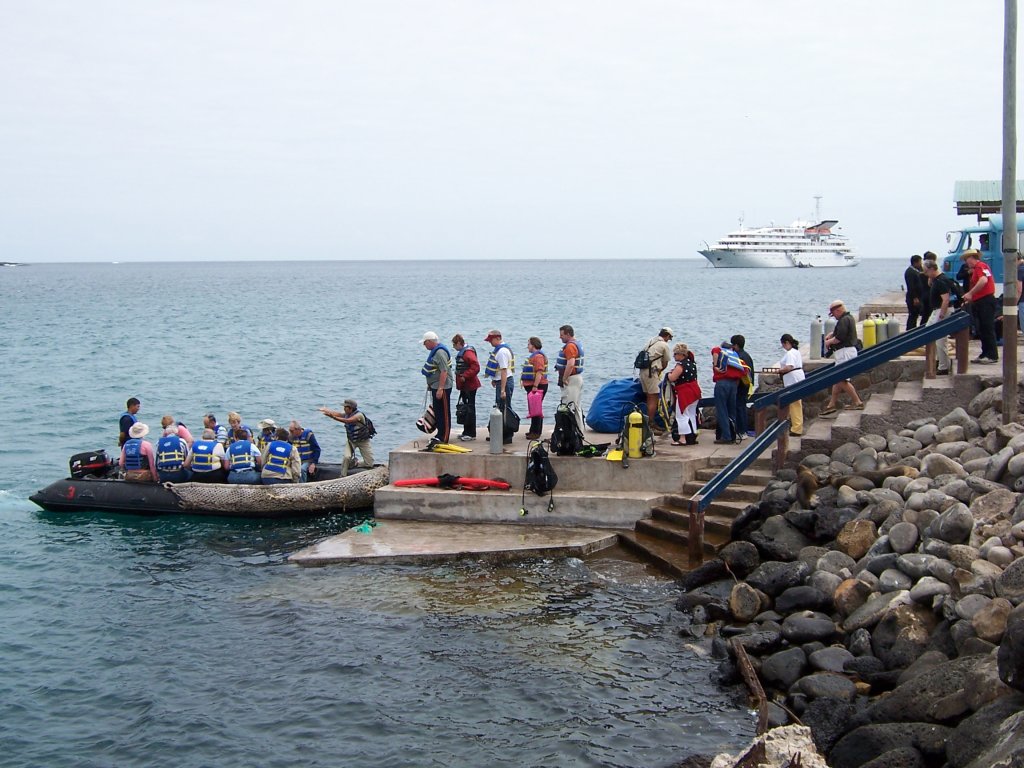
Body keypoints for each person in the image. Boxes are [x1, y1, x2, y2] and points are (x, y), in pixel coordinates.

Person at [821, 299, 865, 414]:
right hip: (847, 351)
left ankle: (857, 402)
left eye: (834, 313)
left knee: (841, 379)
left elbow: (840, 338)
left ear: (838, 310)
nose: (834, 316)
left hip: (845, 352)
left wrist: (828, 342)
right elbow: (841, 333)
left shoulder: (844, 320)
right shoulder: (848, 318)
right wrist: (832, 334)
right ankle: (832, 404)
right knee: (838, 380)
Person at [961, 249, 999, 364]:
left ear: (972, 258)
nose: (966, 262)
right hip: (980, 301)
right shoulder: (979, 268)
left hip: (986, 301)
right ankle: (985, 353)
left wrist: (970, 293)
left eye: (966, 259)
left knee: (987, 328)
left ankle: (992, 355)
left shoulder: (980, 266)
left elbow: (983, 280)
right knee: (982, 328)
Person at [320, 399, 375, 476]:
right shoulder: (346, 413)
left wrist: (333, 417)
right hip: (351, 441)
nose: (344, 408)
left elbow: (348, 421)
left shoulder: (359, 415)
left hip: (363, 441)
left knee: (369, 463)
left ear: (350, 408)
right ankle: (343, 475)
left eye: (345, 407)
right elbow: (337, 413)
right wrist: (326, 410)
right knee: (346, 457)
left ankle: (356, 463)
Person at [483, 330, 515, 444]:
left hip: (504, 382)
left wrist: (502, 389)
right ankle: (499, 433)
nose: (490, 343)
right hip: (501, 381)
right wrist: (494, 380)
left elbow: (504, 371)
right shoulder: (502, 349)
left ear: (497, 338)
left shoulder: (501, 352)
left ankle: (506, 435)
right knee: (501, 407)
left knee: (504, 409)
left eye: (491, 340)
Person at [421, 331, 453, 443]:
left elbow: (444, 371)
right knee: (438, 411)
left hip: (442, 387)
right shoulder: (435, 352)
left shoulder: (439, 353)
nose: (424, 346)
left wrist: (440, 388)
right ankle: (440, 434)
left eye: (425, 343)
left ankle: (444, 436)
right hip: (435, 386)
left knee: (444, 412)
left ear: (430, 342)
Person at [639, 328, 673, 434]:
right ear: (667, 336)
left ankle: (647, 423)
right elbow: (665, 363)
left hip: (642, 372)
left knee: (648, 397)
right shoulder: (664, 345)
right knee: (653, 397)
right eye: (670, 338)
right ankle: (651, 425)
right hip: (652, 373)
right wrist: (659, 371)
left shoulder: (651, 341)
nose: (669, 340)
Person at [922, 260, 954, 375]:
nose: (925, 274)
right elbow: (930, 284)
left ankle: (943, 366)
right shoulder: (937, 280)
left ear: (931, 269)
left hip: (941, 310)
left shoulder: (941, 281)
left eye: (926, 272)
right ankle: (937, 360)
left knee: (941, 340)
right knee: (929, 334)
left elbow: (946, 299)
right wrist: (930, 279)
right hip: (936, 310)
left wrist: (941, 314)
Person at [666, 343, 700, 446]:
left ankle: (683, 438)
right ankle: (693, 436)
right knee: (691, 414)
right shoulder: (692, 363)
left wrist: (668, 374)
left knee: (681, 415)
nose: (674, 356)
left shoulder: (681, 365)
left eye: (675, 354)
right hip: (695, 391)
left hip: (685, 392)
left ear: (681, 354)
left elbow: (672, 378)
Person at [711, 341, 744, 443]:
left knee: (722, 410)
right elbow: (743, 372)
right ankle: (733, 434)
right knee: (731, 410)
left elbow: (715, 350)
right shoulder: (735, 356)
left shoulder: (719, 352)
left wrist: (715, 365)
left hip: (722, 383)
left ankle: (726, 436)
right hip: (734, 384)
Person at [555, 324, 585, 433]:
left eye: (562, 335)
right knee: (576, 406)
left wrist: (564, 378)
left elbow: (571, 363)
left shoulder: (570, 346)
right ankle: (578, 431)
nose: (560, 337)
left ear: (568, 334)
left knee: (569, 406)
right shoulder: (577, 344)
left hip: (571, 379)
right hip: (577, 378)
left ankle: (571, 433)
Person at [452, 333, 481, 441]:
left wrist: (465, 376)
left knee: (470, 408)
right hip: (465, 386)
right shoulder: (464, 352)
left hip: (470, 385)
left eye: (455, 345)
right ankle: (466, 431)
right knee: (465, 408)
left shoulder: (468, 353)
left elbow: (476, 367)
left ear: (459, 343)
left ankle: (471, 433)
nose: (454, 348)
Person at [777, 334, 805, 436]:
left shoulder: (790, 353)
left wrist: (780, 370)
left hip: (793, 379)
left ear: (787, 343)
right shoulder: (796, 352)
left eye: (783, 344)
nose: (783, 347)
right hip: (796, 378)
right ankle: (796, 426)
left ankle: (797, 428)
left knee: (795, 404)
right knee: (796, 403)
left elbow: (789, 366)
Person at [521, 336, 549, 439]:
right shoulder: (534, 356)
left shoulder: (538, 357)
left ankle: (536, 432)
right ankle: (532, 429)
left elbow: (539, 372)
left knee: (536, 409)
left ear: (533, 345)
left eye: (528, 344)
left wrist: (535, 386)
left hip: (538, 386)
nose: (527, 346)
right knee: (533, 408)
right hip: (532, 386)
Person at [730, 334, 755, 438]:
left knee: (738, 408)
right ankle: (743, 430)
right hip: (747, 385)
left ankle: (741, 431)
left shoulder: (738, 356)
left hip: (740, 386)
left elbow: (738, 373)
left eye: (732, 345)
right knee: (742, 407)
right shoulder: (746, 355)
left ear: (736, 345)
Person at [904, 255, 926, 330]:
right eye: (920, 262)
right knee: (913, 315)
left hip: (918, 296)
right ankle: (910, 330)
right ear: (915, 262)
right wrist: (915, 297)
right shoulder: (910, 272)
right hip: (913, 297)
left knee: (915, 315)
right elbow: (911, 286)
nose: (921, 263)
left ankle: (914, 329)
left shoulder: (917, 270)